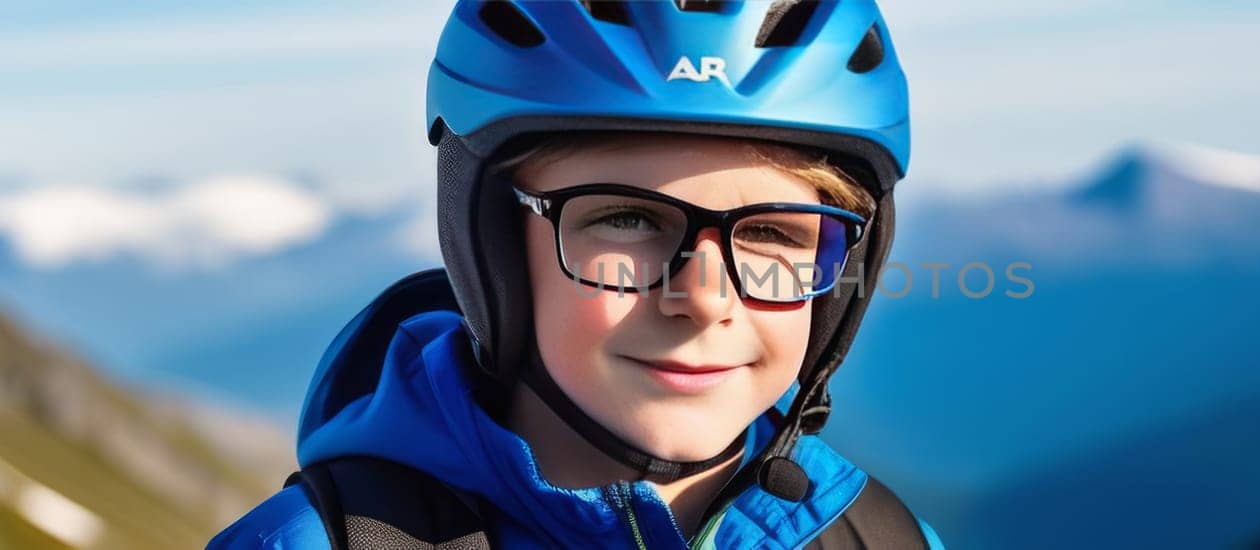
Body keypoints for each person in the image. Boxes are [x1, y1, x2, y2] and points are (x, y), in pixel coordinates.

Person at [210, 0, 937, 548]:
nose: (704, 298)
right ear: (493, 250)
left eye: (773, 233)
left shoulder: (884, 537)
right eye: (627, 220)